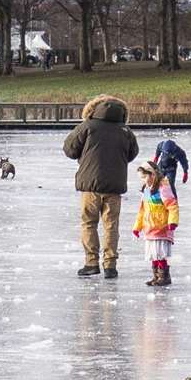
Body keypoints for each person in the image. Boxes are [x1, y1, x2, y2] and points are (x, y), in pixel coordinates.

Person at [63, 94, 139, 279]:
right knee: (111, 226)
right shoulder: (125, 130)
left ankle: (91, 263)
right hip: (114, 186)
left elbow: (69, 149)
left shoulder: (87, 126)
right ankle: (110, 265)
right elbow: (132, 153)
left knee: (89, 223)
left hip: (90, 185)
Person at [131, 160, 179, 287]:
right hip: (149, 228)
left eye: (145, 177)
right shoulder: (146, 190)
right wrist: (137, 227)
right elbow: (142, 210)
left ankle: (164, 276)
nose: (144, 180)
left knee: (160, 254)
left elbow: (172, 205)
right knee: (153, 254)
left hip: (161, 227)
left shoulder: (162, 187)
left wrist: (172, 221)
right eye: (142, 178)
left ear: (152, 174)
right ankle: (156, 276)